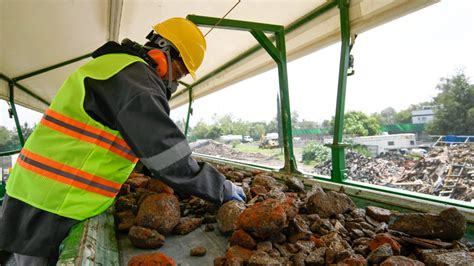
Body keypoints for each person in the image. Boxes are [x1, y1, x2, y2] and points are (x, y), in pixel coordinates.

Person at [0, 17, 245, 266]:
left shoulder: (115, 67)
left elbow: (120, 140)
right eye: (179, 72)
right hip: (49, 202)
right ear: (165, 52)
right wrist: (221, 189)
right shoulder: (137, 79)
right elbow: (165, 152)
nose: (174, 82)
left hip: (41, 193)